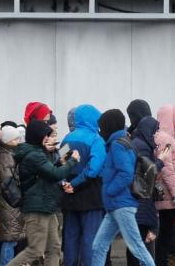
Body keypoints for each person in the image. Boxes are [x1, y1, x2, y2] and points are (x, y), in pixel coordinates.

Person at [4, 119, 81, 266]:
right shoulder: (34, 155)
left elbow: (47, 172)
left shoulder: (38, 152)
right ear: (37, 136)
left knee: (54, 248)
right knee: (35, 250)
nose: (48, 138)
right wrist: (73, 161)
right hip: (37, 207)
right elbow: (55, 174)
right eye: (46, 135)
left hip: (46, 205)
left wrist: (56, 157)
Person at [88, 109, 156, 266]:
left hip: (121, 205)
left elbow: (125, 174)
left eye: (102, 127)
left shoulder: (118, 145)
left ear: (108, 126)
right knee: (98, 246)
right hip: (115, 206)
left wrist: (110, 190)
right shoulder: (119, 142)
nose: (100, 131)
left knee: (136, 247)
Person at [62, 104, 107, 266]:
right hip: (90, 192)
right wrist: (75, 183)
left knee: (71, 237)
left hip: (68, 194)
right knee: (90, 239)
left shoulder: (68, 138)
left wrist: (66, 183)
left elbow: (59, 164)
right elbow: (94, 169)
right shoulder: (96, 139)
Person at [127, 117, 164, 266]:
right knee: (143, 245)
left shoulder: (137, 143)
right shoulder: (142, 146)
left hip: (137, 201)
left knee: (135, 245)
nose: (155, 135)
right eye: (154, 132)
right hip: (142, 201)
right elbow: (149, 173)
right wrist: (161, 160)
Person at [154, 105, 175, 266]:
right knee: (164, 235)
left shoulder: (168, 136)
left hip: (169, 194)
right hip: (167, 195)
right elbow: (166, 167)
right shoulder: (163, 138)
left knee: (166, 234)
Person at [0, 125, 26, 265]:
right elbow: (8, 183)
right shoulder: (5, 157)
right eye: (16, 139)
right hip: (10, 204)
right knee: (10, 240)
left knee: (13, 239)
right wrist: (20, 199)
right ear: (9, 141)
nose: (19, 141)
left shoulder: (9, 154)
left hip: (11, 204)